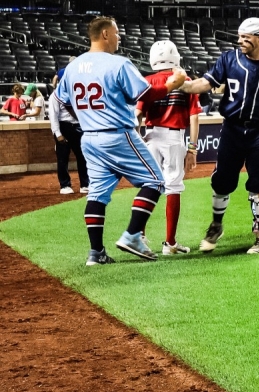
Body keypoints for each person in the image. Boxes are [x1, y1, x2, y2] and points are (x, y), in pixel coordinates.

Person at [55, 16, 186, 265]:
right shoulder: (118, 64)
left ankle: (96, 253)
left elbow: (62, 101)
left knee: (96, 194)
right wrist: (173, 84)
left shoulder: (72, 67)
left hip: (89, 139)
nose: (119, 37)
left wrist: (87, 118)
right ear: (104, 34)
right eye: (116, 33)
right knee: (155, 180)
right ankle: (132, 235)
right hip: (116, 133)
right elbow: (147, 94)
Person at [181, 17, 259, 255]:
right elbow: (206, 84)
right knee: (221, 182)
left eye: (245, 38)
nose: (240, 41)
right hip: (232, 129)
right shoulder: (229, 59)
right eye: (239, 36)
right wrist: (184, 86)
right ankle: (216, 224)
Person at [136, 40, 202, 255]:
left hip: (150, 136)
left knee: (149, 184)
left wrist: (138, 140)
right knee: (173, 186)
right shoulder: (184, 80)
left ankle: (139, 236)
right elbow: (194, 117)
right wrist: (192, 149)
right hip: (174, 138)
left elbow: (136, 115)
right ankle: (170, 243)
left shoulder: (146, 81)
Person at [49, 82, 89, 195]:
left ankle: (85, 184)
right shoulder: (56, 95)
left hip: (78, 125)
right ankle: (65, 185)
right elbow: (53, 115)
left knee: (83, 156)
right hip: (64, 126)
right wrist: (57, 133)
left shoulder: (77, 92)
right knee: (63, 158)